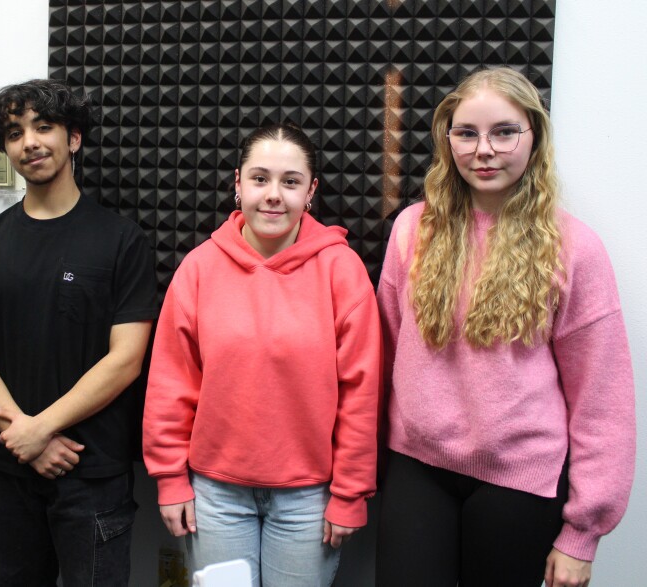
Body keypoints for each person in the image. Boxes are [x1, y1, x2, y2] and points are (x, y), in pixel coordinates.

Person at [375, 67, 636, 587]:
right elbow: (382, 352)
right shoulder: (411, 230)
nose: (483, 149)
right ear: (447, 140)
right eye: (467, 133)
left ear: (533, 137)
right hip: (415, 467)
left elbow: (602, 400)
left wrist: (581, 534)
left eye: (504, 132)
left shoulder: (574, 248)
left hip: (520, 482)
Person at [143, 123, 381, 586]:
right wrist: (170, 478)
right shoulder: (199, 268)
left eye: (290, 182)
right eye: (260, 179)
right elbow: (172, 383)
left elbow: (361, 391)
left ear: (310, 191)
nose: (274, 195)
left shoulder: (341, 270)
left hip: (309, 497)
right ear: (237, 184)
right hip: (214, 494)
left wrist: (350, 493)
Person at [0, 78, 158, 586]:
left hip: (91, 472)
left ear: (75, 139)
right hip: (10, 468)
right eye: (16, 133)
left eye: (44, 127)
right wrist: (23, 433)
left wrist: (41, 429)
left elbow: (126, 358)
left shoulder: (121, 241)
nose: (30, 142)